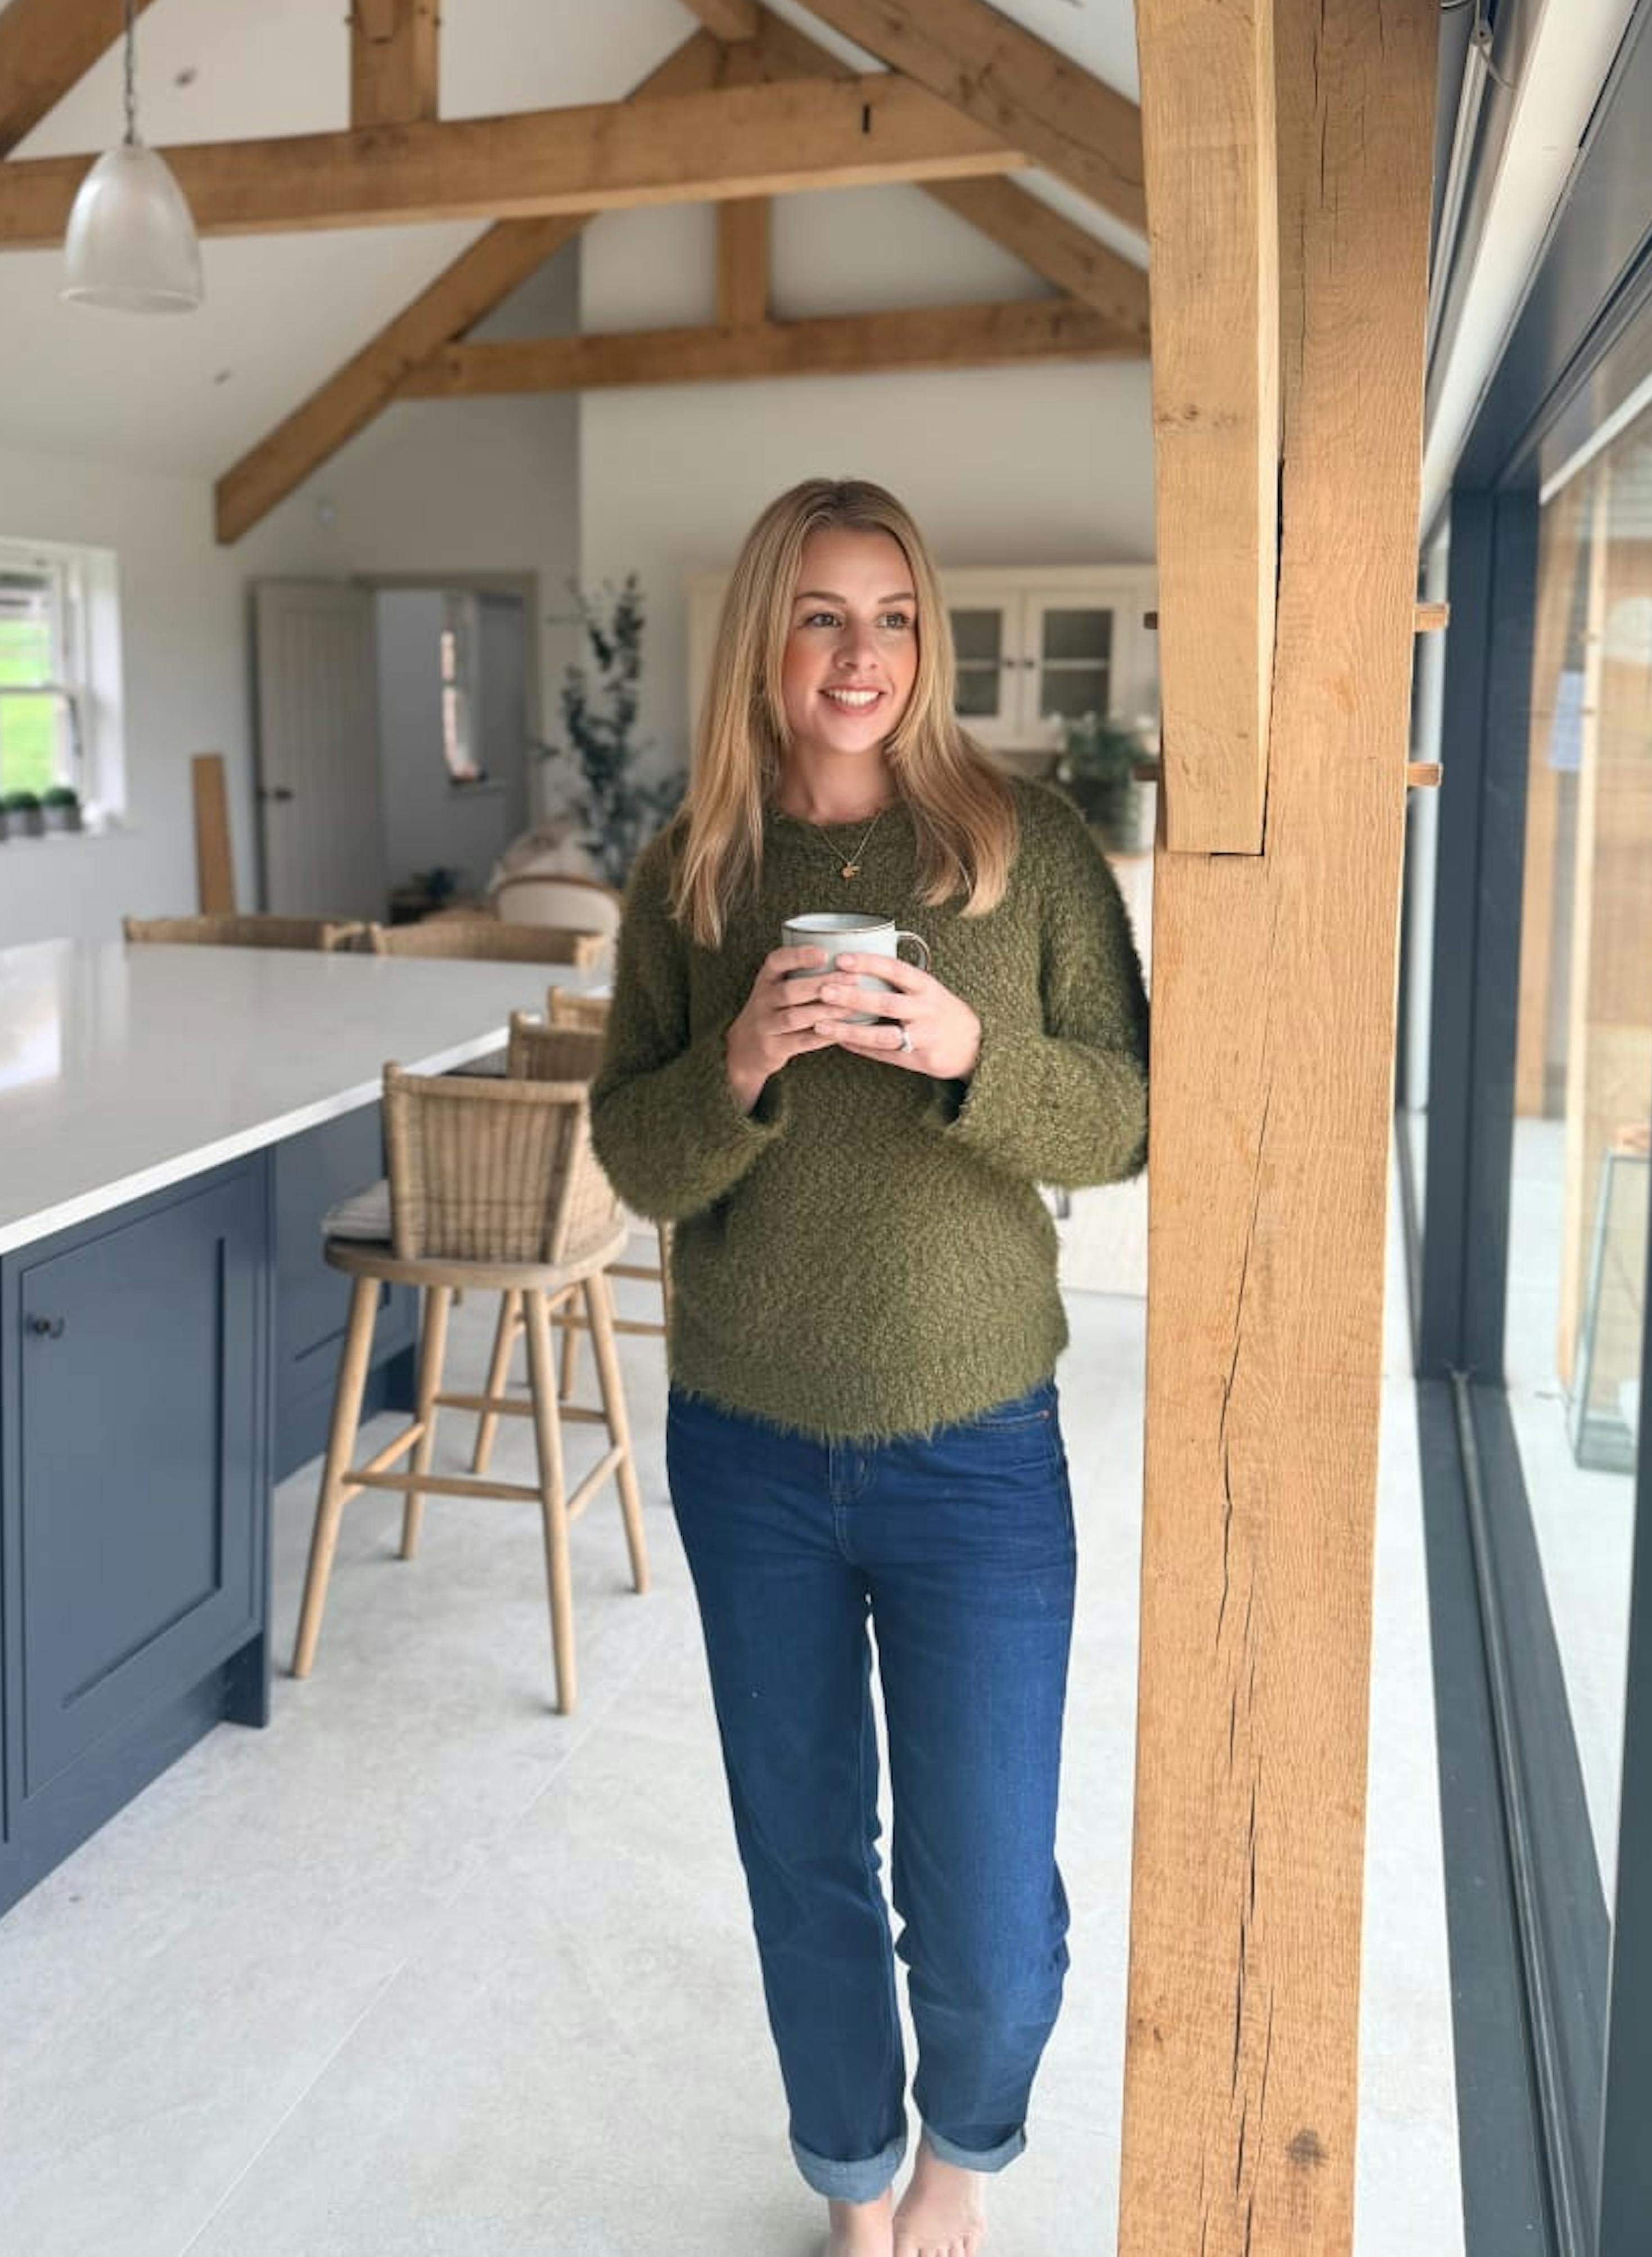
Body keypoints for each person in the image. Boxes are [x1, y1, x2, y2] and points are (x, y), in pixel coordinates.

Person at [590, 479, 1149, 2257]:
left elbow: (1130, 1119)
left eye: (894, 615)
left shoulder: (1023, 845)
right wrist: (741, 1064)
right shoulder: (692, 872)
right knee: (804, 1860)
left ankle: (957, 2163)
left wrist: (975, 1051)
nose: (862, 654)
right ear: (764, 639)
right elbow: (635, 1159)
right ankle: (852, 2184)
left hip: (976, 1449)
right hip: (747, 1448)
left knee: (982, 1904)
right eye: (822, 616)